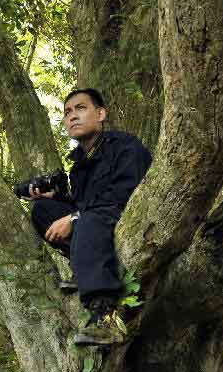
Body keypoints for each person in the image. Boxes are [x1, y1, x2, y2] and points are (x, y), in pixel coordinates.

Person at [30, 88, 152, 346]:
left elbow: (125, 194)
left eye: (80, 108)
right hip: (93, 221)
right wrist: (57, 200)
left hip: (124, 217)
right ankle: (82, 264)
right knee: (42, 210)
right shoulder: (79, 165)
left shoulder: (126, 146)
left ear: (100, 113)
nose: (72, 116)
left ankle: (105, 317)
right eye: (67, 112)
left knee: (86, 219)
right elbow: (82, 204)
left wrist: (75, 217)